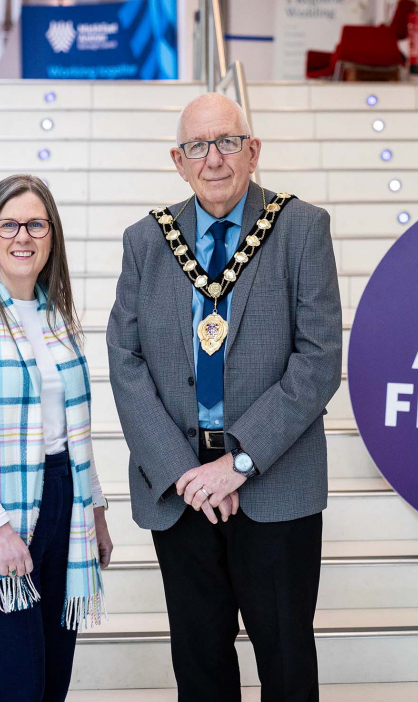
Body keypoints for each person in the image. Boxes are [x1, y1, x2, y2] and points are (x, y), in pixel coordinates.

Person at [107, 93, 342, 701]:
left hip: (273, 483)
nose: (213, 158)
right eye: (197, 146)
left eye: (227, 141)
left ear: (253, 150)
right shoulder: (145, 241)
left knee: (286, 663)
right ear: (178, 161)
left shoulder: (300, 229)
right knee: (200, 665)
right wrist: (186, 473)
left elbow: (318, 363)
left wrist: (237, 464)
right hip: (180, 491)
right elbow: (125, 362)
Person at [0, 174, 113, 702]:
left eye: (36, 223)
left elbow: (75, 427)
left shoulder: (60, 319)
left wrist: (95, 508)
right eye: (8, 224)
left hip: (64, 500)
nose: (22, 236)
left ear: (51, 235)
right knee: (15, 685)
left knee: (53, 682)